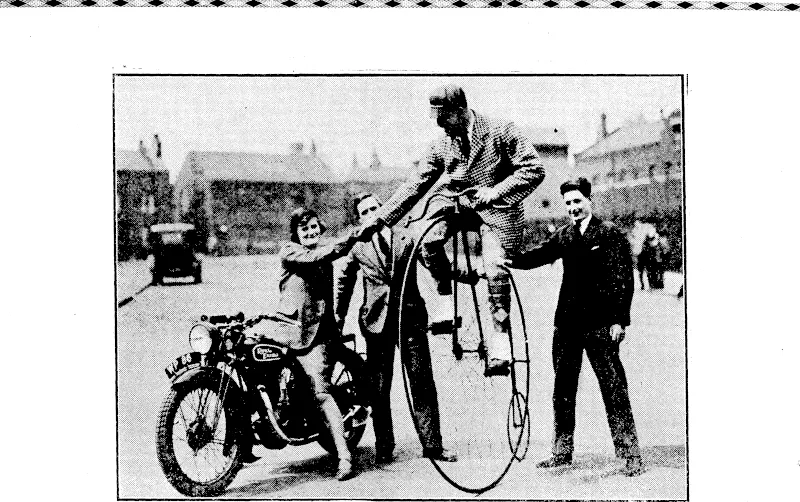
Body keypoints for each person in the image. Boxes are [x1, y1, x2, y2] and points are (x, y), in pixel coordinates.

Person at [366, 84, 545, 376]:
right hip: (459, 204)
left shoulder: (501, 131)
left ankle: (500, 341)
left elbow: (534, 169)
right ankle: (446, 302)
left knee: (495, 265)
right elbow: (416, 183)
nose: (443, 129)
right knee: (427, 241)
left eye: (444, 120)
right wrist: (381, 218)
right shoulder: (442, 144)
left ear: (460, 111)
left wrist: (495, 192)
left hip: (498, 208)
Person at [507, 177, 644, 477]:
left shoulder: (609, 235)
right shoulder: (564, 236)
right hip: (567, 326)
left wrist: (619, 319)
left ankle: (630, 453)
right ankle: (562, 451)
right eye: (568, 203)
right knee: (563, 390)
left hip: (600, 326)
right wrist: (510, 261)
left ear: (589, 201)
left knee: (614, 388)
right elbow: (540, 255)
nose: (573, 208)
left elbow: (625, 281)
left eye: (577, 202)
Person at [334, 193, 457, 465]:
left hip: (410, 320)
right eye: (364, 211)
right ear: (360, 217)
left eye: (375, 207)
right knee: (379, 388)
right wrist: (338, 319)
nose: (371, 213)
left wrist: (460, 276)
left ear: (385, 209)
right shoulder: (358, 244)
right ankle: (384, 447)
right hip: (376, 324)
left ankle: (433, 446)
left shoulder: (407, 236)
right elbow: (344, 282)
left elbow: (433, 262)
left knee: (422, 382)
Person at [270, 207, 365, 481]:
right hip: (287, 331)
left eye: (314, 227)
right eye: (304, 229)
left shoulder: (324, 255)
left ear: (320, 229)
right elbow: (313, 258)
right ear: (295, 233)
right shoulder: (289, 251)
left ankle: (345, 456)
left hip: (317, 336)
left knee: (321, 393)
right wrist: (350, 238)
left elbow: (327, 280)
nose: (310, 232)